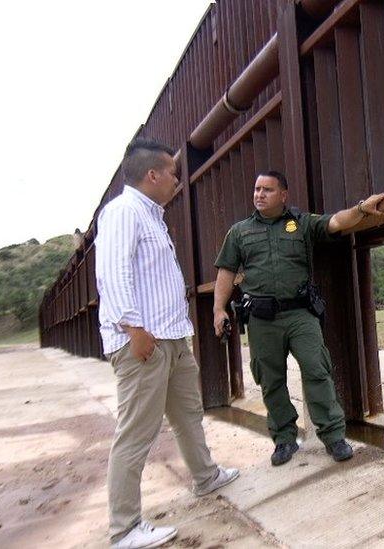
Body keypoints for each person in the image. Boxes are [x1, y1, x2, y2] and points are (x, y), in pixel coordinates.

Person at [96, 138, 239, 549]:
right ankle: (124, 529)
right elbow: (112, 272)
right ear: (152, 174)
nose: (178, 180)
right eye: (173, 173)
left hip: (172, 336)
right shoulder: (124, 212)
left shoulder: (152, 216)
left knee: (188, 415)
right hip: (144, 340)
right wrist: (134, 328)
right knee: (136, 432)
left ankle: (206, 476)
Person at [212, 171, 384, 466]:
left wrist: (361, 209)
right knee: (270, 380)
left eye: (267, 190)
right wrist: (218, 309)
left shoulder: (301, 223)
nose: (259, 195)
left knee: (317, 370)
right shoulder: (239, 232)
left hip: (300, 314)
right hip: (261, 318)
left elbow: (335, 222)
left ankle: (333, 436)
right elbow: (226, 272)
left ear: (283, 195)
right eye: (257, 189)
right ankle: (283, 439)